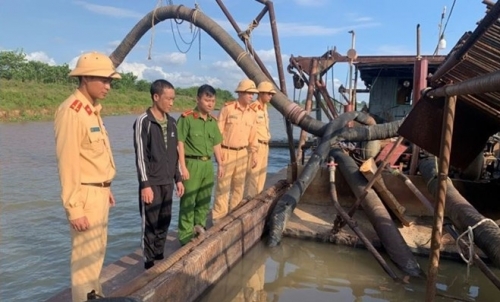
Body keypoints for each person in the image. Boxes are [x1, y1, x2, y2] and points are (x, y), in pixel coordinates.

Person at [54, 51, 121, 302]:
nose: (108, 86)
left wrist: (106, 187)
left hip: (99, 192)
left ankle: (94, 297)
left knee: (96, 255)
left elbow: (93, 158)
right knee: (84, 261)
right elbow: (68, 163)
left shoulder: (92, 110)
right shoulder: (71, 111)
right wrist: (74, 208)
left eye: (110, 81)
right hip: (84, 196)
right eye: (103, 80)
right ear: (84, 79)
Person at [133, 79, 184, 270]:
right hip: (152, 182)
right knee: (150, 224)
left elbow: (174, 154)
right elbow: (140, 157)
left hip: (167, 182)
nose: (172, 103)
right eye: (168, 99)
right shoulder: (143, 122)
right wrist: (145, 184)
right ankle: (148, 263)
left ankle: (160, 258)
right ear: (156, 97)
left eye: (173, 99)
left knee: (165, 220)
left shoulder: (171, 122)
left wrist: (178, 179)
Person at [176, 84, 224, 245]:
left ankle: (199, 229)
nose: (210, 104)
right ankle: (185, 236)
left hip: (207, 164)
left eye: (212, 101)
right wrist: (182, 166)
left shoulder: (212, 121)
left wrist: (221, 164)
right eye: (207, 100)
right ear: (198, 99)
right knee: (189, 200)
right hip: (191, 163)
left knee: (204, 199)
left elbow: (216, 144)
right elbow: (179, 143)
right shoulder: (187, 118)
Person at [212, 79, 259, 223]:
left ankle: (233, 216)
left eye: (252, 94)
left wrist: (254, 154)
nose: (251, 96)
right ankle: (218, 218)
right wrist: (218, 155)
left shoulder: (252, 113)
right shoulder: (228, 109)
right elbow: (217, 133)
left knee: (239, 186)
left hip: (243, 153)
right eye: (249, 93)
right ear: (241, 93)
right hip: (227, 152)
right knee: (223, 186)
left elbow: (253, 136)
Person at [244, 81, 276, 197]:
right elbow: (249, 129)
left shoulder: (265, 108)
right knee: (253, 174)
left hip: (265, 145)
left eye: (271, 94)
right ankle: (249, 198)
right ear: (261, 93)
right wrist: (253, 149)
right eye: (269, 94)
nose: (271, 96)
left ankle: (257, 196)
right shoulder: (253, 108)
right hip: (256, 145)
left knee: (262, 173)